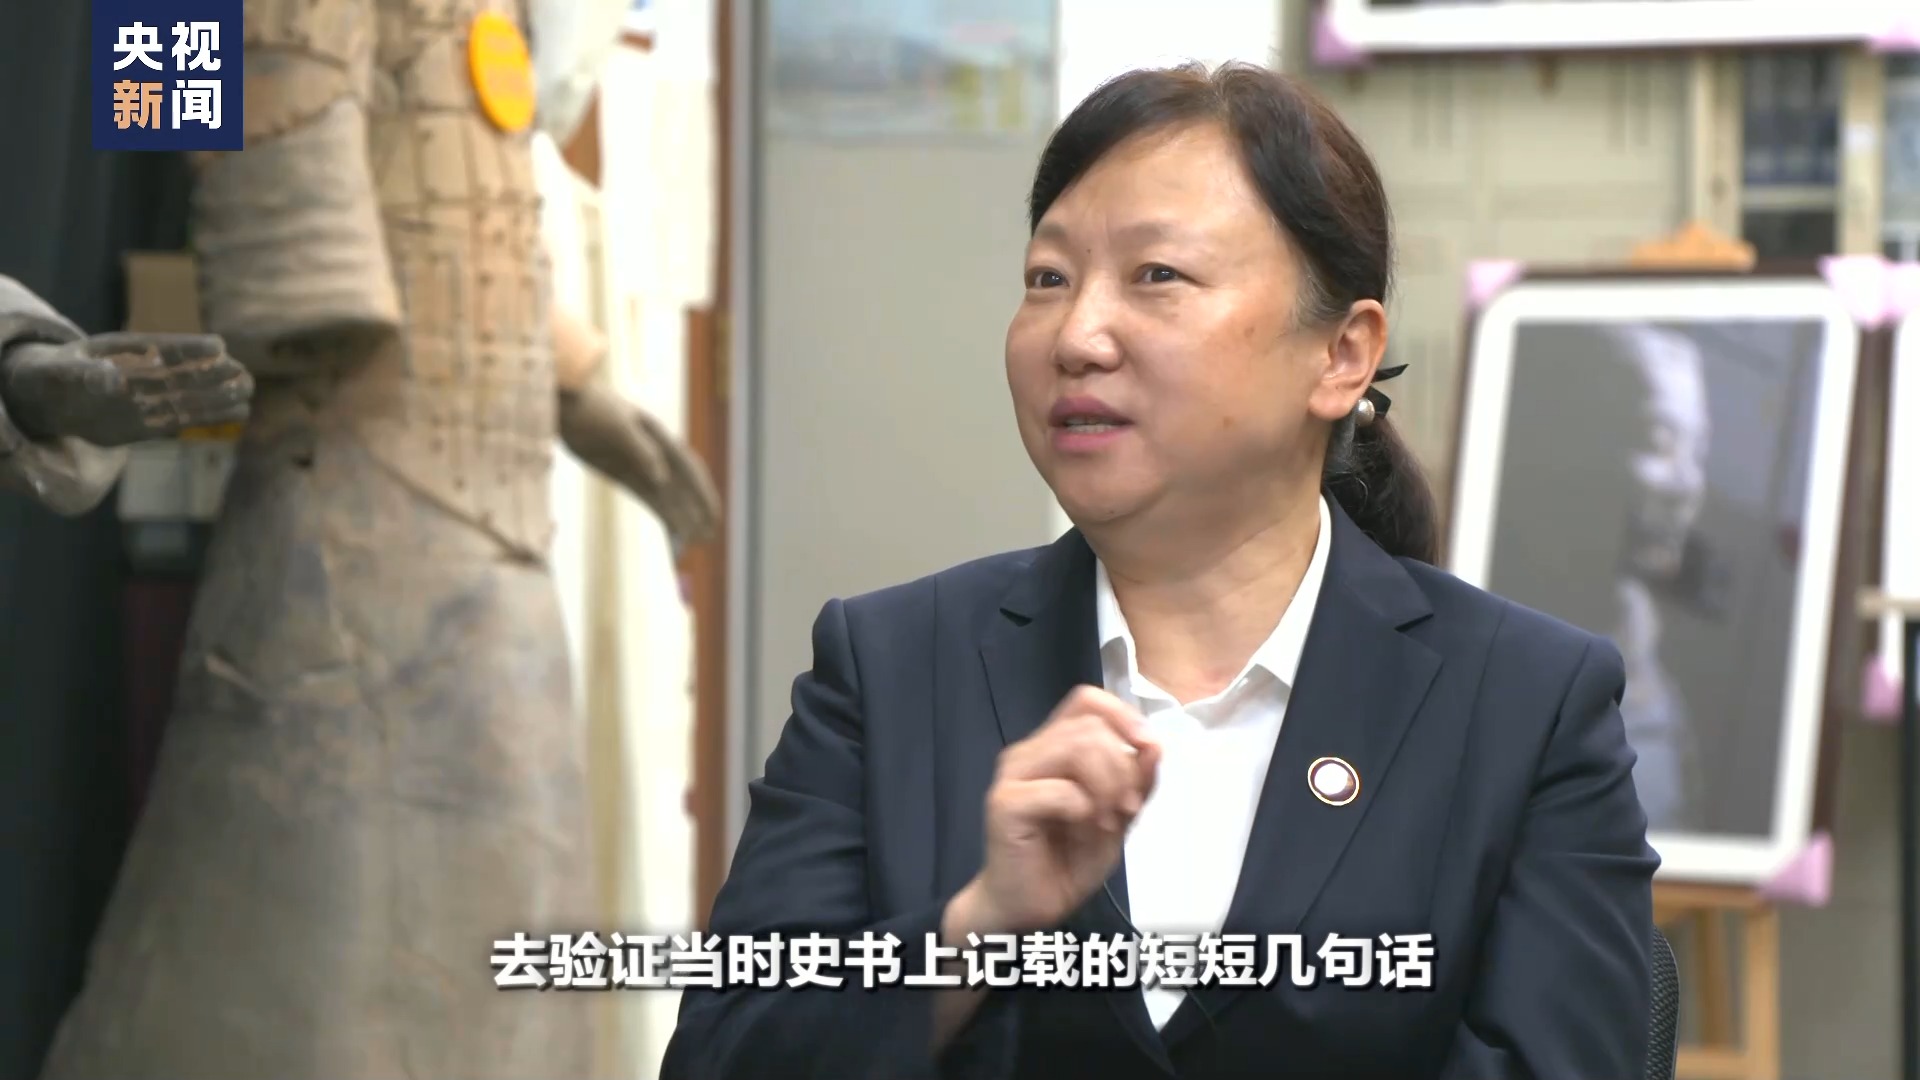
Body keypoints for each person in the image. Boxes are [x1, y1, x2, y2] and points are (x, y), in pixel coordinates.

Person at [663, 62, 1657, 1080]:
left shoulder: (1527, 704)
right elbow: (722, 1058)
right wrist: (975, 929)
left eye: (1156, 276)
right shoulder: (889, 666)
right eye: (1048, 278)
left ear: (1342, 355)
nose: (1077, 336)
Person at [1487, 321, 1725, 835]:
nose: (1687, 483)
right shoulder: (1494, 660)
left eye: (1699, 451)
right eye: (1660, 442)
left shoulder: (1668, 674)